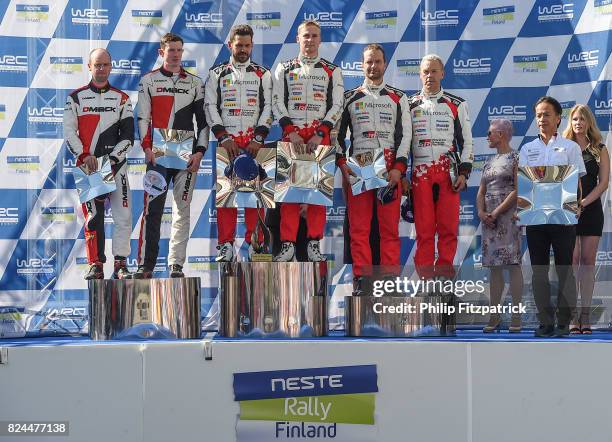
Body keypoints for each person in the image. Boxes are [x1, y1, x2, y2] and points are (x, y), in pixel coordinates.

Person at [337, 44, 411, 294]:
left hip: (389, 162)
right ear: (362, 65)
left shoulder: (398, 97)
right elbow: (337, 137)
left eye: (377, 61)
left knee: (389, 227)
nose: (373, 66)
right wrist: (342, 165)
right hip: (361, 162)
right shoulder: (349, 97)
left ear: (385, 64)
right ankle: (362, 279)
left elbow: (405, 136)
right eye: (369, 62)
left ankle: (389, 279)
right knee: (359, 227)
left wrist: (399, 168)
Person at [134, 33, 208, 279]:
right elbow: (143, 117)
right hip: (158, 156)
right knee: (152, 211)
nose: (176, 54)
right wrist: (146, 148)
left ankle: (176, 265)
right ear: (161, 52)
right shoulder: (149, 81)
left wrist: (200, 152)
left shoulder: (195, 83)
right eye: (171, 50)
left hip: (186, 157)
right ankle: (146, 265)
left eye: (179, 50)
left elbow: (203, 122)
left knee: (182, 211)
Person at [271, 19, 344, 262]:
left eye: (314, 36)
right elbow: (277, 101)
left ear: (320, 40)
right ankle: (287, 245)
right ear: (297, 39)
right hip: (291, 137)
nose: (310, 40)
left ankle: (314, 243)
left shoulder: (332, 70)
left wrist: (321, 132)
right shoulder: (284, 67)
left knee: (318, 195)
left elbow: (337, 105)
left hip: (319, 138)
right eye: (306, 36)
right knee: (289, 195)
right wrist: (289, 130)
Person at [64, 48, 134, 280]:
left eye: (105, 64)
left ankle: (121, 264)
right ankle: (96, 264)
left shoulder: (122, 98)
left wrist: (112, 160)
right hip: (90, 167)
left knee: (123, 216)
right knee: (93, 218)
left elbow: (128, 136)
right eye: (97, 65)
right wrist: (84, 156)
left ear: (111, 66)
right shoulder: (75, 98)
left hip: (115, 166)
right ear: (89, 66)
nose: (101, 69)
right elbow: (69, 132)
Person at [519, 96, 586, 337]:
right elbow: (524, 184)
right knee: (538, 271)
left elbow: (577, 181)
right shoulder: (527, 149)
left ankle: (563, 322)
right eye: (538, 115)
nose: (541, 119)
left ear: (558, 118)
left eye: (546, 114)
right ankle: (545, 322)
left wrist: (577, 204)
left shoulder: (571, 147)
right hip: (536, 218)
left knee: (564, 269)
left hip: (563, 217)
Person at [205, 24, 273, 262]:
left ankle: (256, 245)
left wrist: (259, 138)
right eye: (238, 45)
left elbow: (269, 108)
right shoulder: (217, 74)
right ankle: (225, 246)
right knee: (226, 200)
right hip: (228, 144)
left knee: (257, 198)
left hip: (255, 144)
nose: (243, 49)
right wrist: (223, 137)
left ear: (252, 45)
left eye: (247, 45)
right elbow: (210, 107)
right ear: (230, 45)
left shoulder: (263, 74)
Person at [409, 54, 473, 279]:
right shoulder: (409, 104)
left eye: (434, 71)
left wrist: (464, 173)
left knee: (448, 229)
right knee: (424, 231)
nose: (430, 76)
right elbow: (402, 141)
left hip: (448, 173)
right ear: (420, 75)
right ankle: (426, 279)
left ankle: (445, 279)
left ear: (442, 74)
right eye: (425, 71)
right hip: (420, 173)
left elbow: (467, 142)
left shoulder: (456, 104)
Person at [563, 104, 609, 334]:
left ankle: (585, 316)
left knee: (588, 261)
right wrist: (571, 205)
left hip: (590, 210)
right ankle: (572, 316)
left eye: (582, 119)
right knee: (573, 260)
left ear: (589, 122)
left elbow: (603, 183)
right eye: (574, 119)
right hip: (568, 210)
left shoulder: (599, 148)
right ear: (570, 122)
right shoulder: (563, 148)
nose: (578, 122)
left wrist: (584, 203)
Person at [477, 119, 523, 332]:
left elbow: (517, 189)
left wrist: (496, 212)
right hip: (489, 220)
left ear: (501, 134)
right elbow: (481, 190)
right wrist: (481, 212)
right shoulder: (488, 160)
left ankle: (516, 317)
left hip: (507, 217)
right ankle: (494, 317)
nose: (487, 137)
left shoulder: (516, 157)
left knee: (513, 265)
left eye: (490, 133)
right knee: (494, 269)